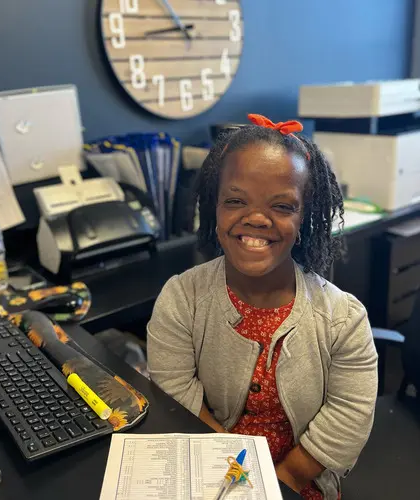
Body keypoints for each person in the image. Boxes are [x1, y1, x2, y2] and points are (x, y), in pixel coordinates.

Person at [147, 114, 378, 499]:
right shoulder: (182, 298)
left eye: (282, 206)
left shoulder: (343, 319)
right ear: (215, 207)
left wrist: (277, 481)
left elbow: (348, 416)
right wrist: (237, 475)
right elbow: (174, 391)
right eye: (236, 201)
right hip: (209, 463)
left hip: (297, 480)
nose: (255, 218)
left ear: (304, 217)